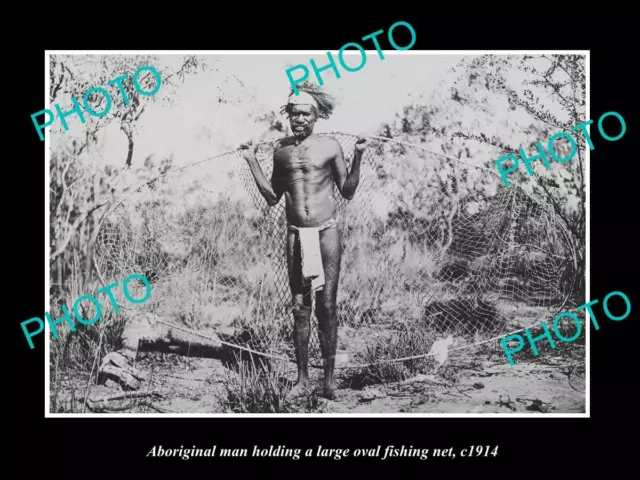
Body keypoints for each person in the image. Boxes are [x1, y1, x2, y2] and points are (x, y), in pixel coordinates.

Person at [240, 82, 367, 400]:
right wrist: (251, 160)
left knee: (326, 307)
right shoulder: (281, 151)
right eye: (294, 113)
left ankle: (328, 382)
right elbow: (272, 198)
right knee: (300, 307)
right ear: (288, 115)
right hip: (296, 234)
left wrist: (359, 157)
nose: (299, 119)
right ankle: (302, 380)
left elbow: (348, 191)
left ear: (316, 116)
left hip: (326, 232)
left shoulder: (330, 146)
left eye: (305, 114)